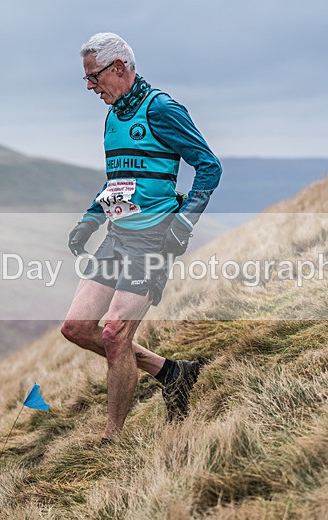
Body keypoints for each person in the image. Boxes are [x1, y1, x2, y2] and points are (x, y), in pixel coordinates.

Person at [60, 32, 221, 442]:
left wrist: (182, 226)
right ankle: (171, 372)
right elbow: (118, 181)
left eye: (94, 78)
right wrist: (89, 220)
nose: (91, 88)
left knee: (114, 335)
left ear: (119, 67)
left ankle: (112, 438)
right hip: (117, 236)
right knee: (76, 327)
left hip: (153, 241)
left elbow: (209, 167)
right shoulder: (113, 115)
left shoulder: (162, 108)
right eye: (86, 81)